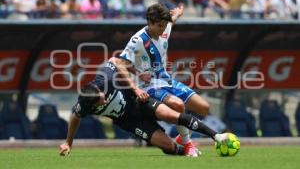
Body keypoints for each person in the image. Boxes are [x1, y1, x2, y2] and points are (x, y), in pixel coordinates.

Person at [59, 58, 228, 156]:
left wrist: (136, 82)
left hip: (139, 102)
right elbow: (74, 117)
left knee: (171, 114)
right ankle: (185, 150)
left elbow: (115, 60)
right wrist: (68, 142)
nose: (103, 102)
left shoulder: (104, 80)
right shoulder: (83, 105)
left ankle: (217, 137)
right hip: (130, 122)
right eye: (99, 103)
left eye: (102, 98)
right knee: (168, 147)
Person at [117, 3, 210, 156]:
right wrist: (138, 77)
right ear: (150, 22)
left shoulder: (165, 26)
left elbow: (172, 19)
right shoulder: (138, 40)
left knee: (204, 107)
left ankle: (181, 137)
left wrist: (179, 12)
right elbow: (120, 64)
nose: (163, 29)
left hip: (166, 80)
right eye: (160, 26)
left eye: (165, 25)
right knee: (178, 105)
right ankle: (188, 145)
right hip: (148, 85)